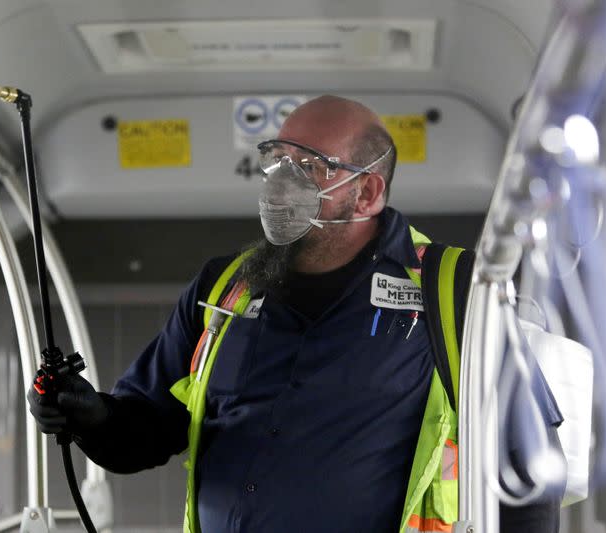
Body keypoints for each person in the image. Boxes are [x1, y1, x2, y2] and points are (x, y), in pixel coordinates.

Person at [28, 95, 563, 532]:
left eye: (310, 166)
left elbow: (532, 470)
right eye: (277, 160)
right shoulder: (222, 290)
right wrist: (89, 415)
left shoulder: (453, 289)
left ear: (367, 192)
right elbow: (142, 433)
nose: (281, 183)